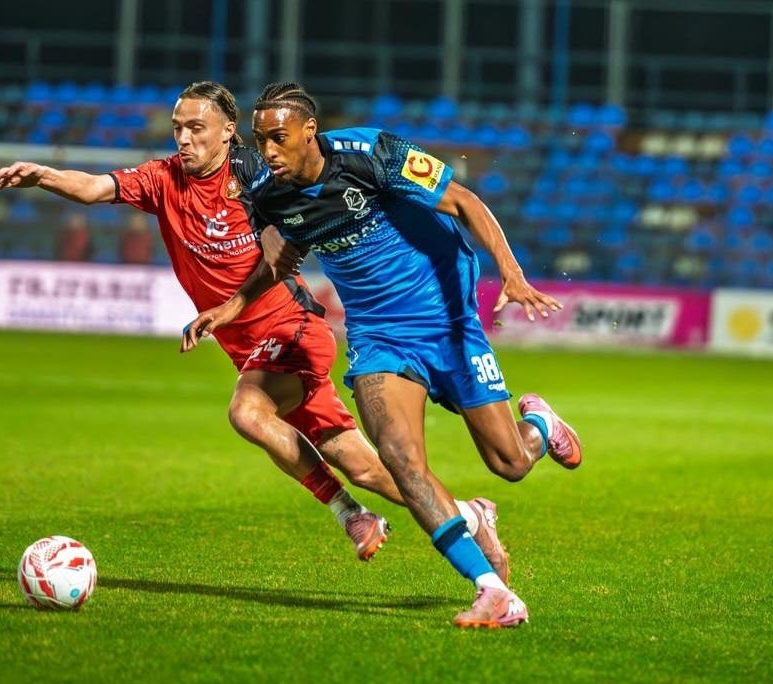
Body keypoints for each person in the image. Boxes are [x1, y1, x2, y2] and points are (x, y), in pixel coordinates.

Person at [0, 82, 510, 572]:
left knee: (247, 412)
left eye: (197, 128)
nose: (185, 138)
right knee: (371, 469)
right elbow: (94, 188)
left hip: (291, 327)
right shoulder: (162, 178)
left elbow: (302, 221)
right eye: (178, 128)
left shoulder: (260, 176)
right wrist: (44, 175)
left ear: (227, 131)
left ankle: (351, 515)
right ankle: (470, 515)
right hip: (245, 345)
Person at [183, 82, 585, 628]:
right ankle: (491, 591)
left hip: (445, 319)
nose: (269, 151)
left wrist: (511, 274)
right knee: (399, 457)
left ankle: (539, 424)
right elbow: (285, 256)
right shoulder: (268, 194)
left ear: (309, 132)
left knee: (509, 462)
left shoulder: (371, 154)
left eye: (279, 138)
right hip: (377, 336)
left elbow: (464, 201)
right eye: (261, 140)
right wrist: (230, 308)